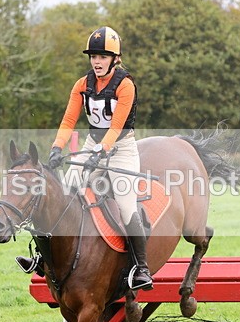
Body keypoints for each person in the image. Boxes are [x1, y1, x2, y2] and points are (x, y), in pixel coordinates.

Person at [16, 26, 153, 291]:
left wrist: (101, 153)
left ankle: (142, 268)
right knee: (64, 193)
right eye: (93, 57)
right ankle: (41, 257)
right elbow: (69, 120)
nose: (96, 62)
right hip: (93, 143)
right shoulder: (82, 84)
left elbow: (116, 128)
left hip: (122, 148)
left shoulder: (125, 85)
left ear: (115, 58)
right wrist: (57, 147)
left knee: (126, 205)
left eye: (102, 56)